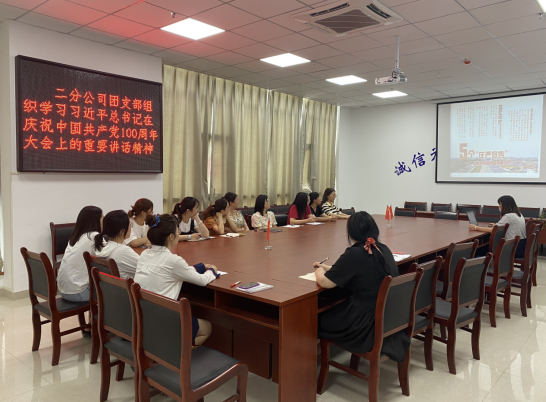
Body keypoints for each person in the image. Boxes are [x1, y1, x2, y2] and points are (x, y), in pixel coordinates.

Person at [313, 212, 410, 362]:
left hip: (365, 325)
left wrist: (318, 271)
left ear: (350, 232)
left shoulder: (354, 253)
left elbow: (325, 282)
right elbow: (352, 269)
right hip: (387, 317)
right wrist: (327, 267)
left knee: (316, 320)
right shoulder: (382, 248)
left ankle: (311, 361)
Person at [133, 214, 218, 345]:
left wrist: (200, 267)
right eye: (177, 231)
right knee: (207, 327)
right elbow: (202, 280)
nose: (179, 233)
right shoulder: (173, 261)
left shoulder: (145, 254)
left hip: (144, 317)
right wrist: (212, 271)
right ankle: (174, 351)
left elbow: (173, 270)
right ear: (171, 237)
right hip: (164, 320)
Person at [57, 206, 103, 302]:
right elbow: (109, 256)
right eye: (102, 218)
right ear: (95, 221)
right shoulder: (95, 236)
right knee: (113, 290)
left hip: (63, 291)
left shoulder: (75, 236)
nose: (104, 221)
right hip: (79, 293)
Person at [94, 210, 140, 279]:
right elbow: (145, 268)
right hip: (126, 285)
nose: (131, 228)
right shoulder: (123, 251)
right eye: (130, 224)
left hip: (112, 285)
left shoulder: (104, 248)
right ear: (122, 232)